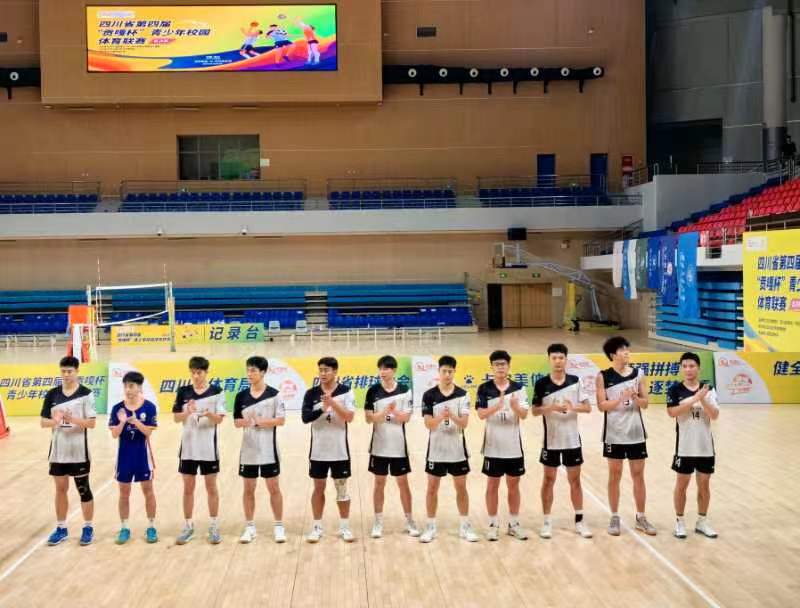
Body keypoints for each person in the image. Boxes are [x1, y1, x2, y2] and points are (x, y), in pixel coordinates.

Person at [596, 336, 655, 536]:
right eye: (622, 350)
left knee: (638, 475)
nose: (627, 353)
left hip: (636, 433)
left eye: (627, 349)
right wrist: (621, 398)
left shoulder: (639, 374)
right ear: (613, 354)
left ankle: (641, 517)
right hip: (614, 434)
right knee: (615, 475)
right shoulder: (603, 376)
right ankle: (614, 517)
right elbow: (601, 406)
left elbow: (646, 404)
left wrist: (636, 397)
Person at [532, 344, 593, 539]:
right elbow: (534, 411)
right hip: (550, 442)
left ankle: (580, 521)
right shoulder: (541, 384)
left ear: (566, 360)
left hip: (572, 441)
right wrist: (550, 408)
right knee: (548, 480)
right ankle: (547, 522)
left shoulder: (575, 381)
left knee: (575, 481)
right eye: (554, 358)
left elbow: (588, 408)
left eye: (561, 358)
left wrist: (572, 407)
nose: (558, 361)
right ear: (549, 360)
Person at [419, 355, 478, 543]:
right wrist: (440, 417)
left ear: (454, 372)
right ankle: (430, 527)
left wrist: (451, 415)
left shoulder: (463, 394)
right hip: (436, 451)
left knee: (461, 487)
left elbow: (464, 423)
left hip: (457, 451)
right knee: (432, 488)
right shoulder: (429, 395)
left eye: (450, 371)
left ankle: (464, 526)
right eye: (444, 371)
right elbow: (428, 424)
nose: (447, 374)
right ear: (439, 372)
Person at [40, 356, 97, 546]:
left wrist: (72, 419)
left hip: (79, 451)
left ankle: (88, 527)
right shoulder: (52, 394)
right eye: (63, 371)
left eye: (69, 371)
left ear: (77, 371)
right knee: (60, 489)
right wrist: (55, 421)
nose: (66, 374)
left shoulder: (86, 394)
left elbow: (91, 423)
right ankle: (61, 528)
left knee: (83, 489)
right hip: (58, 452)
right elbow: (43, 422)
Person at [475, 350, 529, 541]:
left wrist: (515, 407)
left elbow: (524, 415)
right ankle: (493, 524)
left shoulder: (519, 388)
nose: (500, 367)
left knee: (514, 486)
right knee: (492, 485)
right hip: (493, 447)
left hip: (513, 447)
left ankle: (514, 524)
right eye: (496, 364)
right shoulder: (484, 389)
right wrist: (496, 406)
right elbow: (480, 414)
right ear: (491, 367)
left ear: (508, 366)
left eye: (503, 364)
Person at [172, 356, 227, 545]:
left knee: (211, 487)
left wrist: (208, 413)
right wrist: (187, 412)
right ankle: (188, 526)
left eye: (199, 372)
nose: (196, 376)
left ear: (206, 372)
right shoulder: (183, 391)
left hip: (208, 449)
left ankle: (214, 526)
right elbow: (176, 418)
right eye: (193, 372)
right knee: (188, 488)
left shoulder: (216, 391)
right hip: (188, 449)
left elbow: (220, 419)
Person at [301, 357, 356, 543]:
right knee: (318, 488)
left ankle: (345, 527)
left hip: (340, 451)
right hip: (318, 451)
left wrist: (332, 403)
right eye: (321, 370)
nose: (323, 373)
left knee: (342, 489)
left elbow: (349, 417)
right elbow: (305, 418)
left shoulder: (346, 391)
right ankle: (317, 527)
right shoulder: (311, 394)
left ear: (335, 371)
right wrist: (322, 409)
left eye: (326, 370)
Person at [364, 355, 419, 538]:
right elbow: (368, 418)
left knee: (403, 483)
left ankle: (410, 521)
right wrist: (385, 412)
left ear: (394, 370)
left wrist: (393, 411)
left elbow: (406, 418)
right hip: (379, 447)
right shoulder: (373, 391)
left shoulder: (404, 390)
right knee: (379, 483)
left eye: (386, 368)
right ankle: (378, 522)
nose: (383, 372)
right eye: (380, 368)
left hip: (399, 447)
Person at [666, 352, 720, 539]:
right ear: (681, 368)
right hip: (685, 448)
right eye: (685, 366)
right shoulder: (675, 389)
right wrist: (695, 398)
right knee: (682, 485)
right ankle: (680, 522)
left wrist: (702, 398)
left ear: (698, 368)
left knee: (704, 485)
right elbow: (672, 412)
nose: (688, 369)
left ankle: (702, 521)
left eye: (692, 366)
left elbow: (714, 415)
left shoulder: (709, 389)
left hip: (705, 447)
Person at [234, 356, 286, 544]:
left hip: (268, 451)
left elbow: (281, 420)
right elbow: (236, 422)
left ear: (263, 372)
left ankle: (279, 526)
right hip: (248, 451)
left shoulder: (275, 395)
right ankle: (250, 527)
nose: (249, 374)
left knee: (274, 488)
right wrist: (247, 422)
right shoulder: (241, 396)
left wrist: (260, 422)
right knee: (248, 488)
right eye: (248, 370)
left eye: (253, 370)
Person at [108, 371, 158, 544]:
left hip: (143, 457)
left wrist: (135, 421)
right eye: (126, 386)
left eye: (131, 386)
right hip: (124, 457)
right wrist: (122, 421)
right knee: (124, 493)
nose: (128, 390)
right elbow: (114, 434)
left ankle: (151, 526)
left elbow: (148, 432)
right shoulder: (117, 409)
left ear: (139, 388)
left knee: (148, 491)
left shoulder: (149, 407)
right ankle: (124, 528)